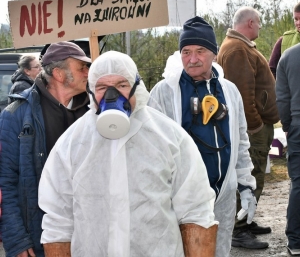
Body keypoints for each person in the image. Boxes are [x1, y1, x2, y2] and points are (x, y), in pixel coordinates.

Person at [38, 50, 218, 257]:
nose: (111, 96)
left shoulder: (170, 137)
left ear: (136, 87)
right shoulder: (72, 143)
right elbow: (58, 220)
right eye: (103, 87)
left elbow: (196, 211)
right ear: (91, 91)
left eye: (122, 85)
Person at [148, 16, 257, 257]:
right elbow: (150, 152)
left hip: (223, 196)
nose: (192, 59)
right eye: (186, 52)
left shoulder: (229, 91)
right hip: (180, 199)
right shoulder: (165, 93)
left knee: (219, 251)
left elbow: (240, 142)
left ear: (214, 53)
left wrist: (246, 186)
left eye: (200, 51)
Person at [0, 41, 91, 257]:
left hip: (88, 233)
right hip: (40, 236)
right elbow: (5, 182)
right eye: (81, 67)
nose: (88, 72)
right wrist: (16, 239)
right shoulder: (16, 115)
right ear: (59, 74)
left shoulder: (94, 111)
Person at [217, 6, 280, 249]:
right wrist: (254, 127)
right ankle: (238, 228)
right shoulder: (236, 49)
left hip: (257, 126)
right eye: (260, 22)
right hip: (253, 130)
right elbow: (242, 95)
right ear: (251, 23)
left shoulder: (241, 47)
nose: (261, 27)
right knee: (249, 176)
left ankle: (247, 219)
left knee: (255, 176)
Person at [276, 42, 300, 256]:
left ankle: (295, 240)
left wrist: (288, 126)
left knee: (299, 183)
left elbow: (282, 99)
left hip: (298, 127)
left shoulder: (288, 56)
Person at [269, 2, 300, 79]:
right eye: (296, 19)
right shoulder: (283, 40)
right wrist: (281, 88)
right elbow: (272, 68)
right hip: (291, 90)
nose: (298, 23)